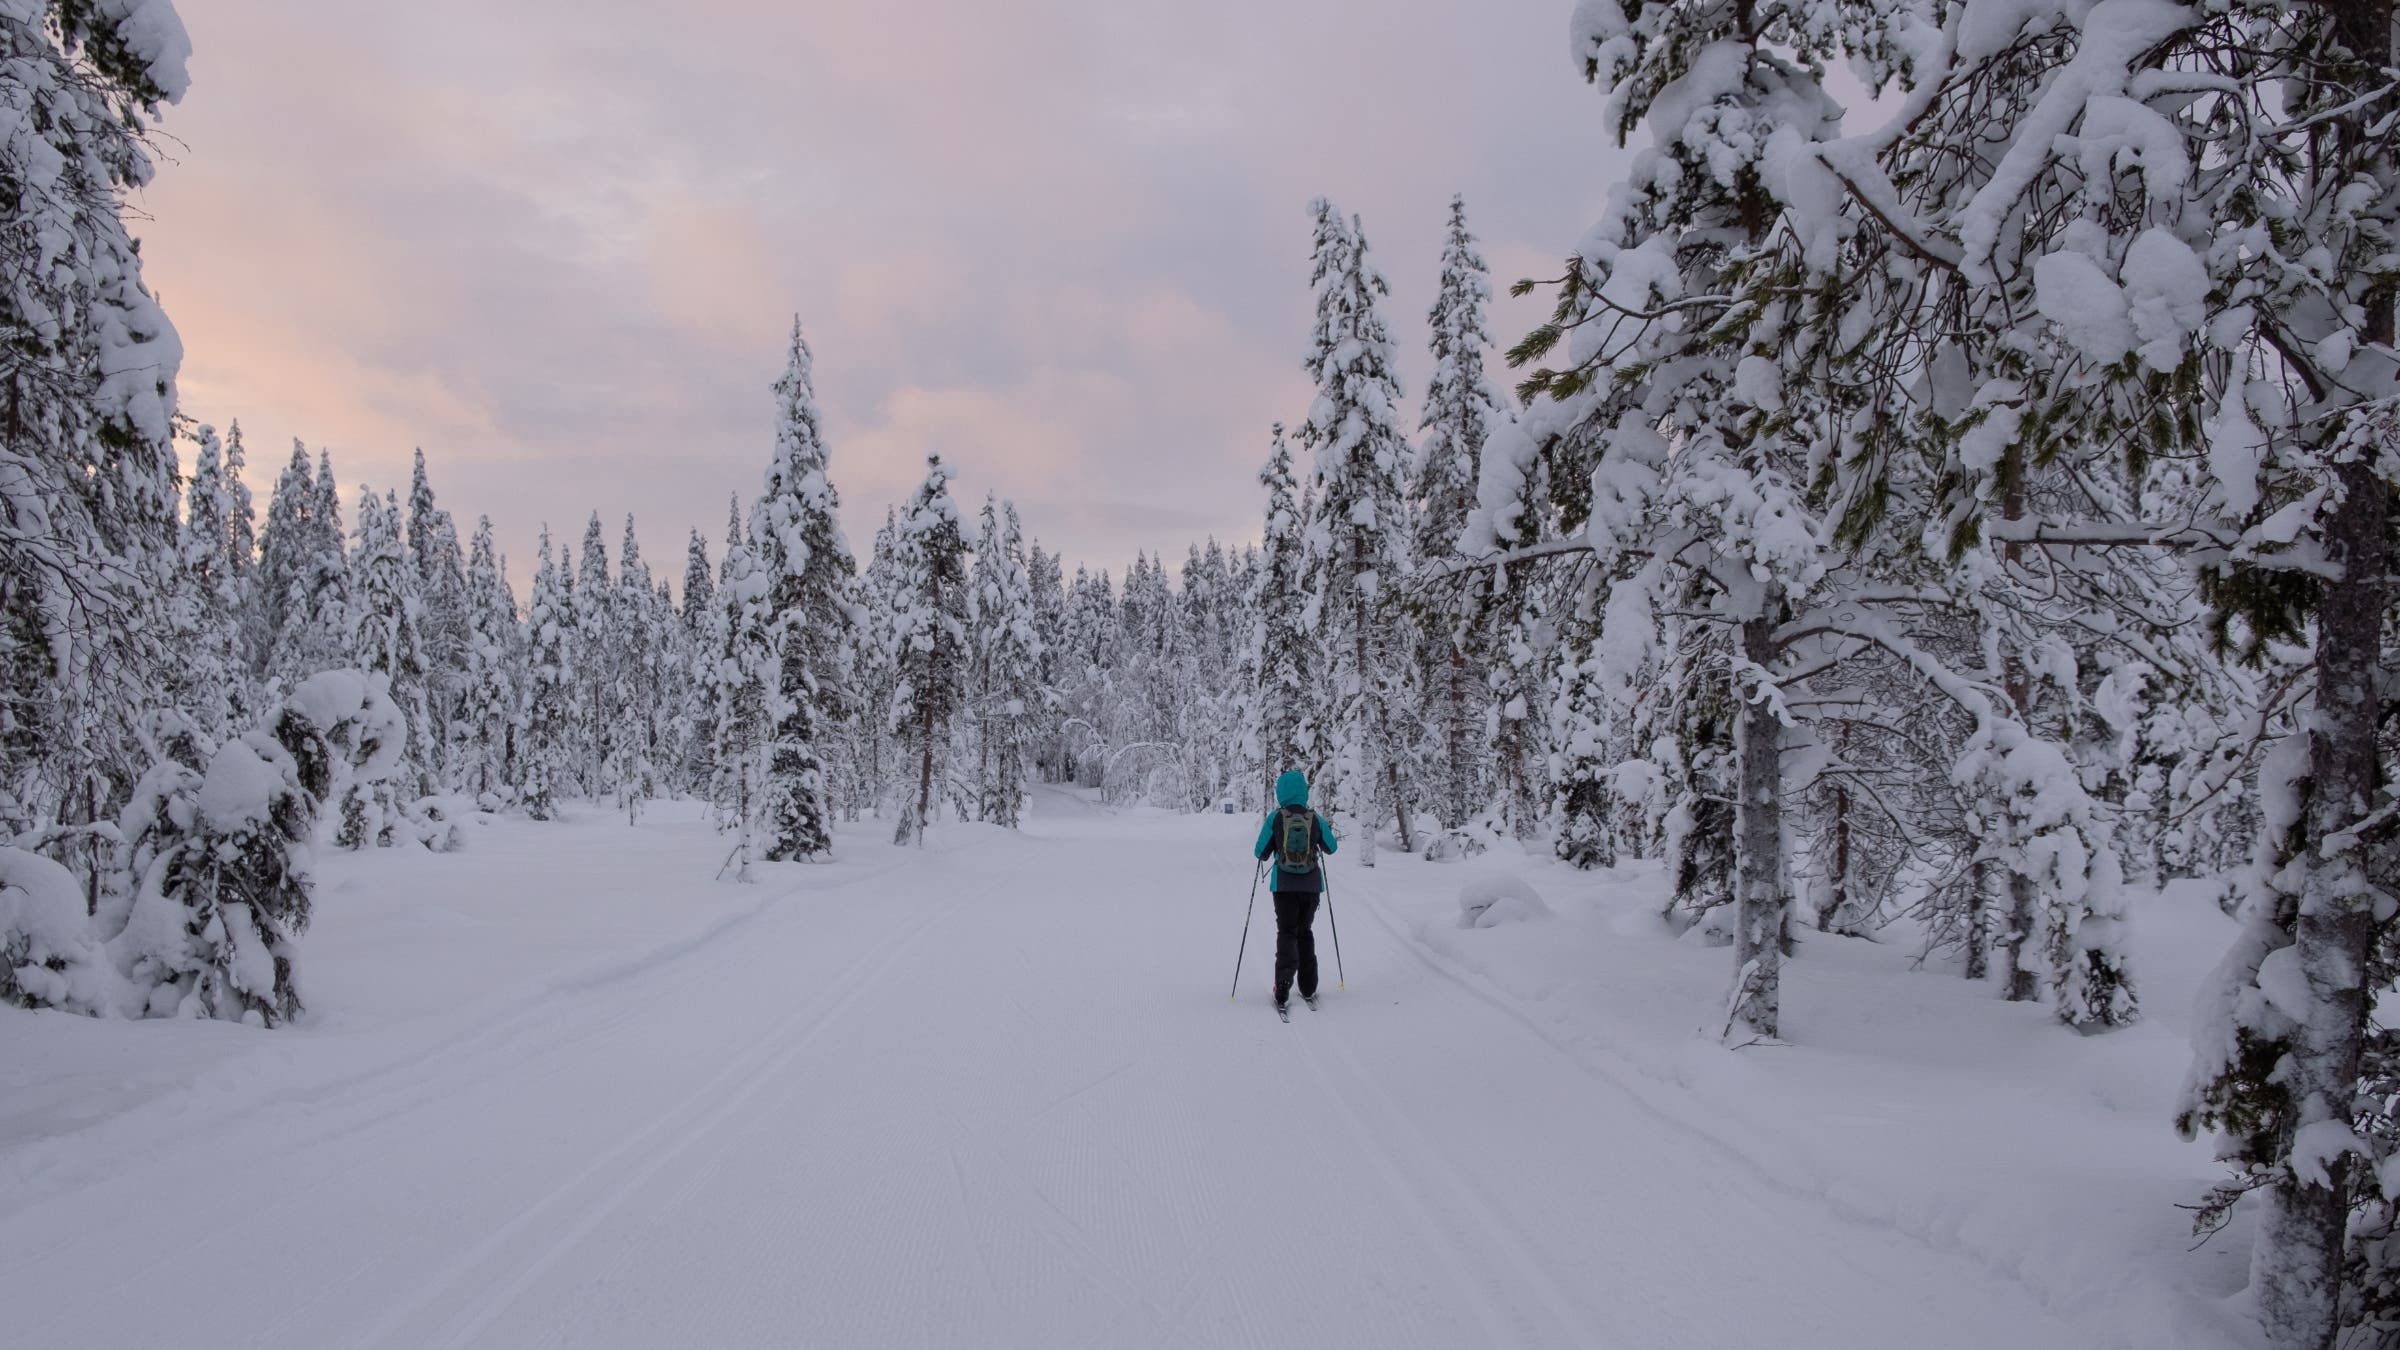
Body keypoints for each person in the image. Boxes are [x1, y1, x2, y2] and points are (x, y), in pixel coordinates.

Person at [1252, 769, 1338, 1013]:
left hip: (1284, 886)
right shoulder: (1314, 818)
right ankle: (1309, 987)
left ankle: (1282, 987)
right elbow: (1331, 847)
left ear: (1280, 792)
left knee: (1287, 932)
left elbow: (1260, 852)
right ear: (1303, 790)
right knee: (1305, 931)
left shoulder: (1276, 818)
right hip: (1311, 887)